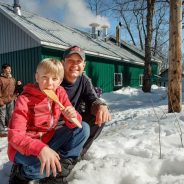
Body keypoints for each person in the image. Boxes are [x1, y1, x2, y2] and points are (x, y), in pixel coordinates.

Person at [8, 58, 90, 184]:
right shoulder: (24, 100)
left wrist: (72, 117)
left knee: (83, 128)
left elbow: (75, 120)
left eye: (54, 79)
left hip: (48, 139)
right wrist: (41, 149)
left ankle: (60, 167)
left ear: (60, 81)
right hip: (22, 147)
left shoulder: (59, 93)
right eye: (45, 77)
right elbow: (15, 136)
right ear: (37, 77)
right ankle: (21, 173)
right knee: (41, 168)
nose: (49, 83)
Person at [61, 45, 111, 158]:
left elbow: (92, 98)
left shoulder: (84, 79)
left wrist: (101, 106)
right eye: (70, 61)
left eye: (78, 61)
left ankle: (78, 154)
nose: (75, 65)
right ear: (62, 63)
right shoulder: (54, 78)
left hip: (75, 120)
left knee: (100, 114)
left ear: (84, 64)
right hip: (56, 124)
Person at [0, 64, 16, 137]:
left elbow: (14, 89)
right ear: (3, 70)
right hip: (2, 100)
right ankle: (1, 130)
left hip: (10, 100)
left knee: (11, 115)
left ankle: (11, 128)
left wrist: (14, 96)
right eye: (8, 69)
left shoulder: (12, 79)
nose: (9, 70)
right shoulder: (1, 79)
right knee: (2, 116)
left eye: (10, 68)